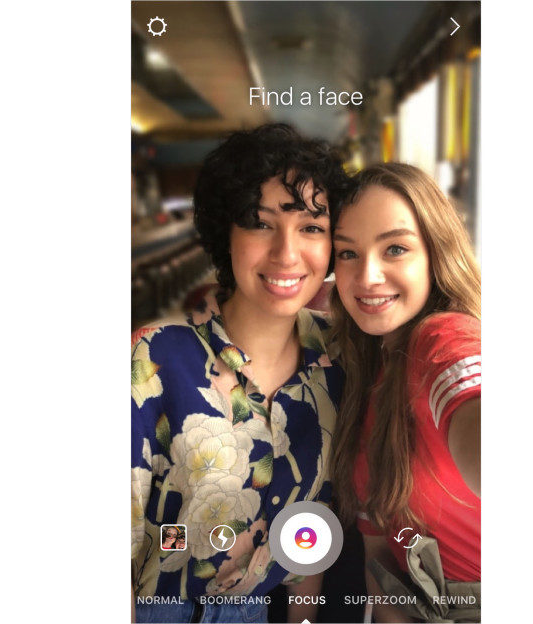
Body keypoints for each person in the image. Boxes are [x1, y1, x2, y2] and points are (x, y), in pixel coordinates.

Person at [132, 124, 350, 623]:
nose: (286, 253)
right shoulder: (153, 358)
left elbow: (310, 526)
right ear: (224, 234)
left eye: (311, 227)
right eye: (259, 223)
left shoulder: (340, 359)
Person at [330, 162, 481, 623]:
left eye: (395, 248)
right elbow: (381, 553)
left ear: (437, 253)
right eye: (348, 253)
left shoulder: (443, 338)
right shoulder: (368, 370)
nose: (367, 276)